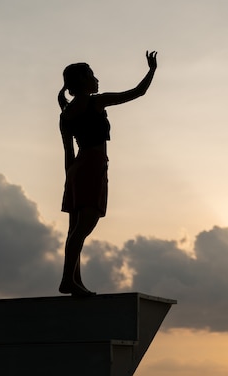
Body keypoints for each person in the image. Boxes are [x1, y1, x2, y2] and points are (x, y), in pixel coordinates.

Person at [57, 51, 158, 296]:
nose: (96, 78)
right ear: (82, 80)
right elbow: (136, 92)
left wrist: (70, 181)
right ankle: (68, 281)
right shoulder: (95, 102)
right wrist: (152, 69)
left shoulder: (65, 115)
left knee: (75, 231)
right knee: (83, 228)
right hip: (92, 165)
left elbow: (68, 154)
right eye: (91, 74)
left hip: (76, 170)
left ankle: (73, 281)